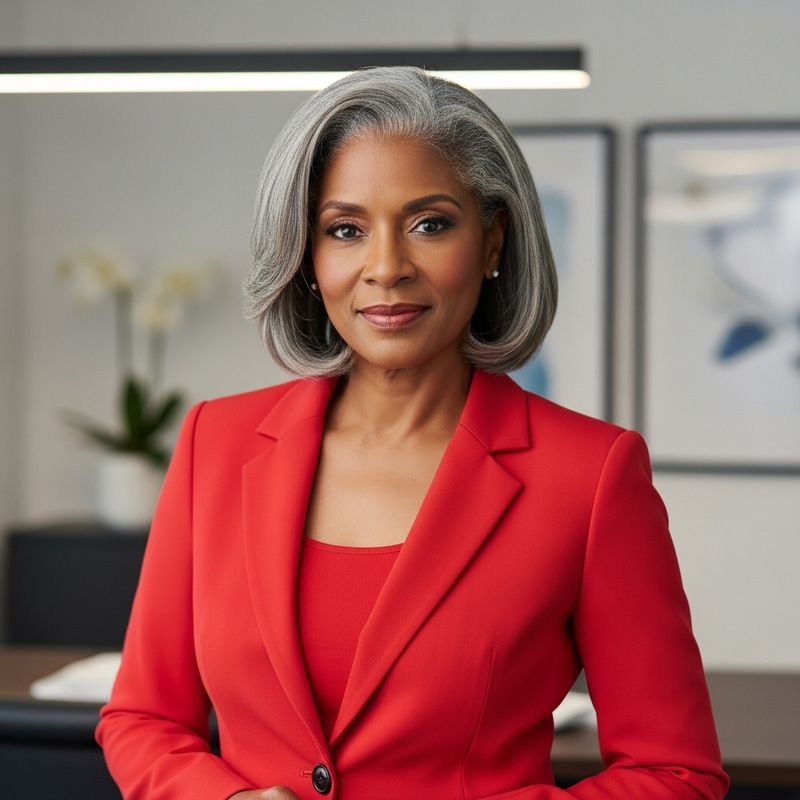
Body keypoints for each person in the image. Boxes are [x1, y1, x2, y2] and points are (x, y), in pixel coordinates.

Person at [96, 66, 729, 800]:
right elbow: (143, 717)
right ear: (308, 257)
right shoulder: (217, 443)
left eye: (430, 224)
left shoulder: (590, 476)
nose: (386, 268)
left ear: (492, 241)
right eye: (345, 230)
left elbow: (675, 774)